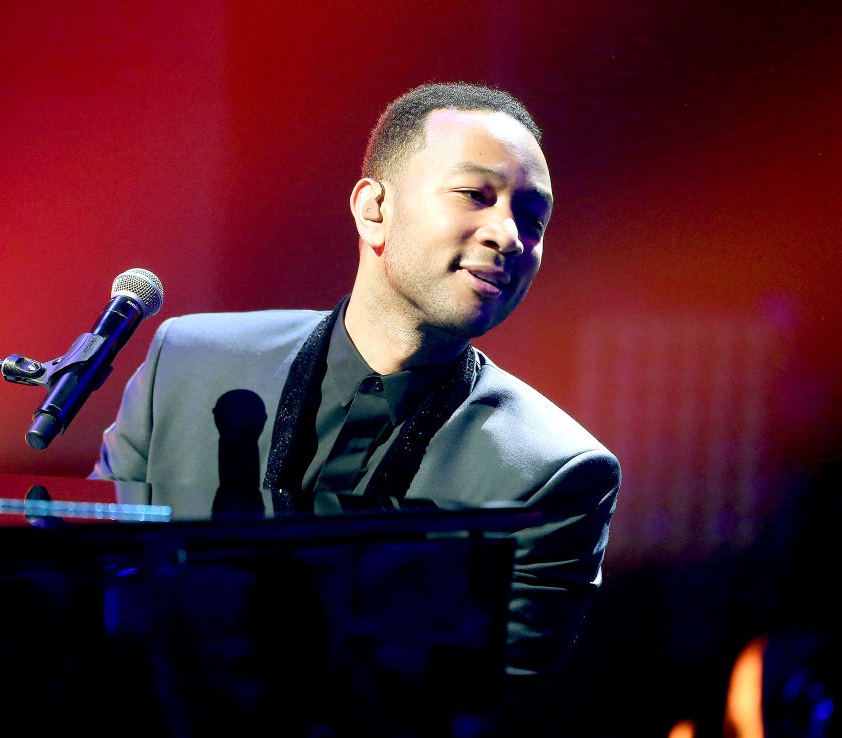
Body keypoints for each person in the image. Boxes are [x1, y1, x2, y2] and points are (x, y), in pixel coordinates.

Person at [91, 81, 621, 732]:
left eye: (533, 219)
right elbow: (91, 589)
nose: (510, 235)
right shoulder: (187, 359)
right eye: (475, 195)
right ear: (374, 209)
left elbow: (485, 711)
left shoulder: (560, 472)